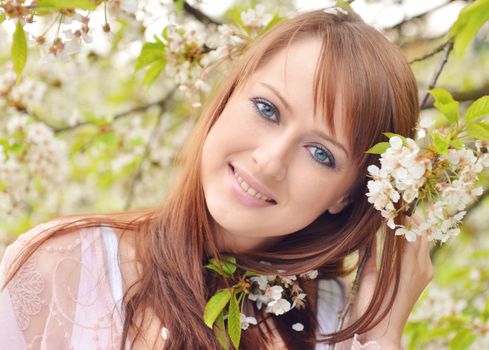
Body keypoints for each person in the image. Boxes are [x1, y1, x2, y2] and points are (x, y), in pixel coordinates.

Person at [0, 8, 432, 350]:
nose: (269, 161)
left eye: (320, 153)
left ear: (349, 195)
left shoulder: (335, 322)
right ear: (227, 98)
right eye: (267, 109)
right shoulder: (64, 266)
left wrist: (380, 332)